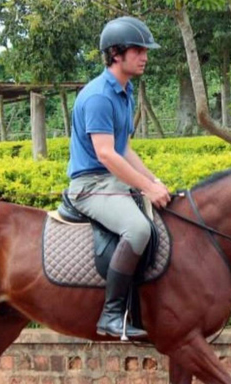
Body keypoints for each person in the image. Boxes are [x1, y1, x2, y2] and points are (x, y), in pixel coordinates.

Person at [67, 16, 170, 339]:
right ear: (116, 54)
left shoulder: (123, 91)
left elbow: (124, 149)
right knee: (138, 228)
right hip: (90, 186)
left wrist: (154, 182)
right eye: (138, 50)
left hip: (111, 182)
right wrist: (144, 187)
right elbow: (106, 154)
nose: (145, 56)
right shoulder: (99, 95)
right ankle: (111, 315)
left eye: (145, 50)